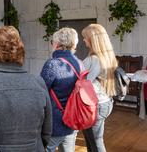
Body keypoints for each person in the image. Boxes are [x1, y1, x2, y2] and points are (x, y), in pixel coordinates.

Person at [40, 27, 81, 152]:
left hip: (55, 122)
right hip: (72, 118)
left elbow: (41, 91)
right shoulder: (79, 62)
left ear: (56, 44)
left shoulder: (53, 64)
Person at [81, 24, 117, 152]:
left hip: (95, 105)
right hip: (105, 102)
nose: (83, 40)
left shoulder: (94, 59)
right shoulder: (108, 57)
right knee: (93, 140)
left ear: (93, 40)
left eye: (85, 38)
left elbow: (84, 83)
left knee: (95, 142)